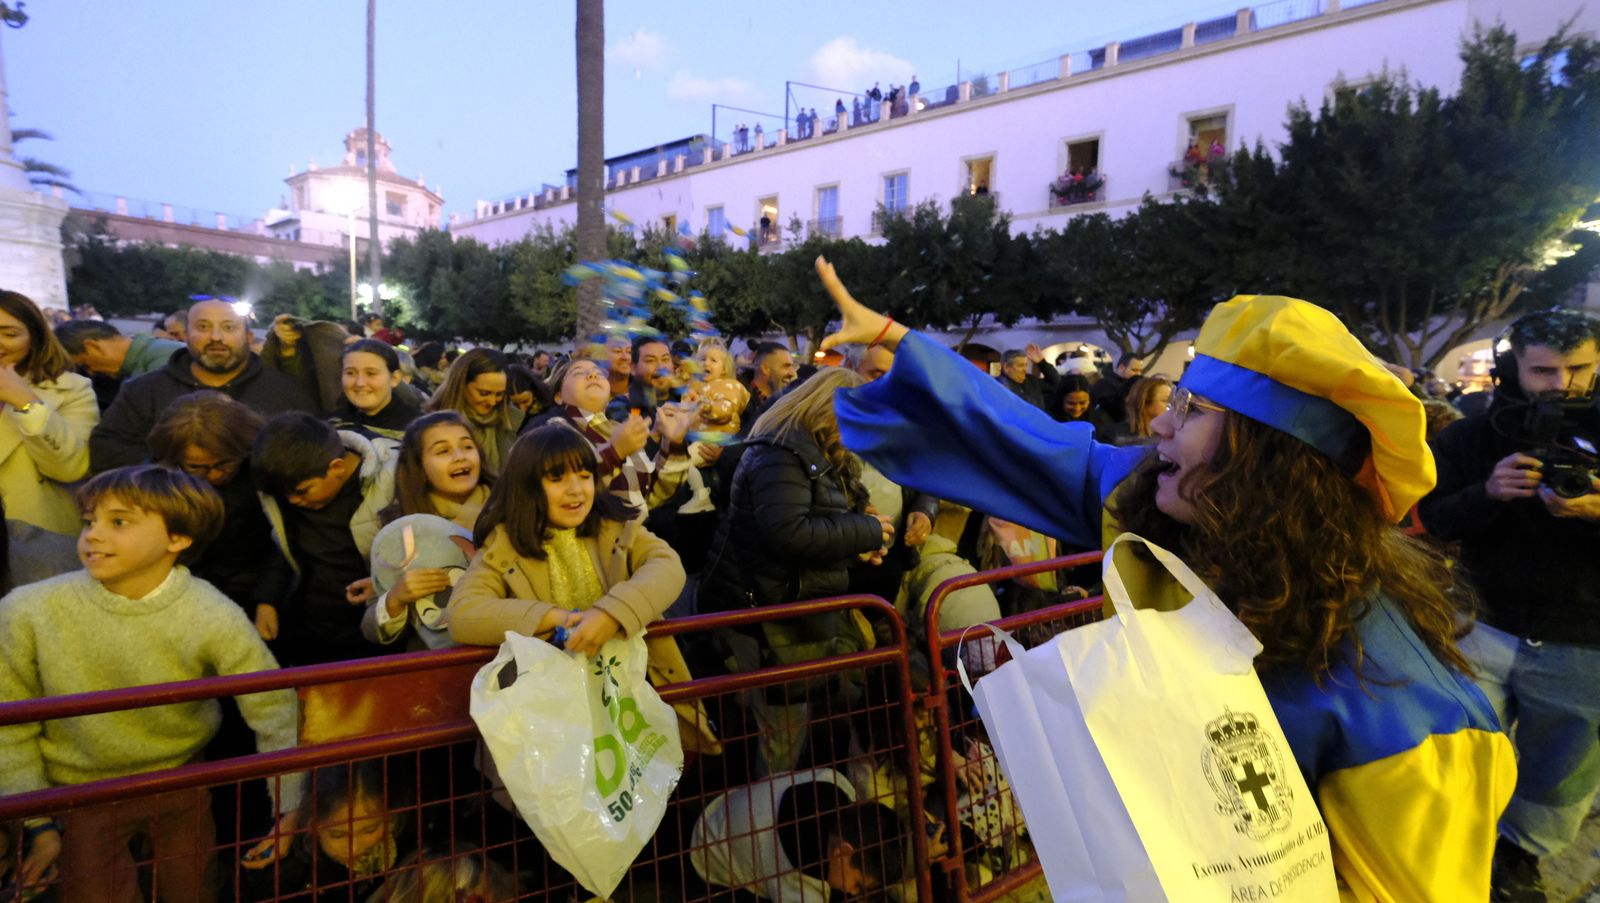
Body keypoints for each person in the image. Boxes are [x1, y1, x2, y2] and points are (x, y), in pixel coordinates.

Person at [814, 257, 1515, 900]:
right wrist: (895, 340)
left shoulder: (1411, 706)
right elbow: (1031, 445)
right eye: (1173, 401)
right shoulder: (1162, 510)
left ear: (1269, 458)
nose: (1160, 427)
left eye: (1192, 410)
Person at [0, 465, 299, 902]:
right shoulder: (27, 610)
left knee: (192, 888)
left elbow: (272, 706)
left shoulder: (211, 613)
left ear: (178, 539)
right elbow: (10, 721)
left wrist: (290, 805)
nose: (93, 535)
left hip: (180, 782)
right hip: (80, 795)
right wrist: (37, 821)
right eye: (89, 521)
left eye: (119, 522)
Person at [1418, 309, 1600, 900]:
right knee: (1459, 752)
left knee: (1560, 771)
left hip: (1584, 639)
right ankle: (1453, 842)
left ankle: (1520, 860)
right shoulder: (1470, 437)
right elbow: (1428, 520)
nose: (1562, 385)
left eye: (1578, 369)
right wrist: (1487, 492)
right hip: (1482, 625)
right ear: (1511, 368)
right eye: (1544, 371)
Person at [448, 422, 685, 659]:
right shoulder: (504, 545)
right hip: (553, 679)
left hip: (636, 674)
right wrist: (555, 618)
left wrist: (613, 613)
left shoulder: (615, 526)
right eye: (557, 479)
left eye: (584, 476)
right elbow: (462, 613)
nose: (576, 490)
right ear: (525, 486)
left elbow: (667, 565)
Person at [90, 297, 315, 473]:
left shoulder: (285, 392)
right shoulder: (144, 390)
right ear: (186, 335)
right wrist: (171, 470)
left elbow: (309, 454)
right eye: (203, 327)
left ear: (248, 337)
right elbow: (105, 448)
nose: (216, 337)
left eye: (228, 327)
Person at [252, 412, 397, 664]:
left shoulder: (391, 481)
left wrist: (386, 584)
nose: (292, 501)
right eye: (285, 495)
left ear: (336, 467)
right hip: (312, 632)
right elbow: (285, 547)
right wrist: (267, 600)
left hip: (376, 633)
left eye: (302, 492)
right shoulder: (288, 482)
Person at [147, 391, 292, 641]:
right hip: (189, 593)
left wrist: (267, 600)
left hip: (261, 584)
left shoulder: (264, 471)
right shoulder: (157, 485)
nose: (214, 475)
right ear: (175, 458)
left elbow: (284, 541)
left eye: (224, 464)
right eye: (196, 467)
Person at [689, 768, 906, 901]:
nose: (854, 893)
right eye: (857, 884)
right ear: (843, 852)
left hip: (717, 811)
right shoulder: (799, 887)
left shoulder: (833, 781)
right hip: (706, 861)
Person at [531, 358, 692, 510]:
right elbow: (560, 490)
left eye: (599, 373)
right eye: (578, 373)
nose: (592, 375)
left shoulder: (618, 429)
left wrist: (673, 443)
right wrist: (614, 453)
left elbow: (650, 492)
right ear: (559, 396)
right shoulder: (554, 428)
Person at [241, 760, 412, 902]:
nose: (354, 848)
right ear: (313, 822)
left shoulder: (407, 841)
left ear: (392, 816)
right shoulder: (283, 874)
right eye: (337, 835)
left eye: (370, 830)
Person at [0, 290, 98, 535]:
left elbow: (70, 469)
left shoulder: (72, 389)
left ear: (35, 338)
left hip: (30, 538)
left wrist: (25, 402)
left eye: (9, 334)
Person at [376, 411, 491, 533]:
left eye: (467, 447)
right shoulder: (398, 529)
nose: (460, 457)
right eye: (443, 451)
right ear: (418, 465)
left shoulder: (503, 507)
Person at [426, 347, 523, 478]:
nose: (492, 402)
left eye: (499, 394)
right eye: (484, 393)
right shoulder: (432, 425)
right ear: (461, 384)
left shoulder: (509, 421)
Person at [331, 339, 422, 441]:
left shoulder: (419, 433)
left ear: (394, 378)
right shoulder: (331, 425)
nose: (360, 383)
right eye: (350, 373)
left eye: (371, 373)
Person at [54, 318, 183, 381]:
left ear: (93, 347)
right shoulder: (140, 363)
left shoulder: (164, 356)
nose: (91, 372)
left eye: (85, 365)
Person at [1106, 374, 1174, 443]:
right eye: (1166, 400)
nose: (1172, 405)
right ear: (1143, 403)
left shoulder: (1172, 434)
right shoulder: (1113, 436)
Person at [746, 341, 797, 424]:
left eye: (793, 366)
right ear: (765, 369)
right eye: (786, 366)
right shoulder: (741, 403)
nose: (793, 373)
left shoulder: (788, 401)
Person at [1048, 373, 1114, 437]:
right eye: (1071, 403)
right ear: (1061, 400)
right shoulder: (1049, 421)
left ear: (1090, 400)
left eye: (1082, 403)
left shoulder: (1100, 420)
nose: (1077, 408)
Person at [995, 345, 1057, 411]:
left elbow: (1056, 385)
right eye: (1020, 365)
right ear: (1006, 367)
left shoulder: (1032, 381)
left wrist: (1042, 363)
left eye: (1026, 365)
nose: (1025, 369)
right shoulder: (997, 386)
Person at [627, 334, 676, 418]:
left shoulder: (684, 399)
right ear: (633, 368)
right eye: (650, 361)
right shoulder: (623, 404)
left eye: (665, 359)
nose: (660, 367)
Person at [1091, 351, 1145, 423]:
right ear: (1121, 367)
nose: (1138, 374)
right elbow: (1116, 411)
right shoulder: (1104, 384)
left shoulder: (1133, 383)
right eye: (1134, 370)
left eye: (1140, 371)